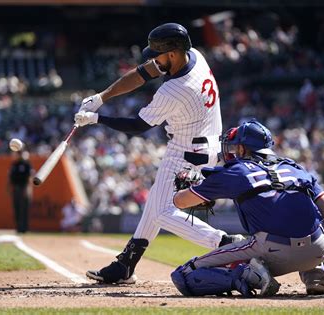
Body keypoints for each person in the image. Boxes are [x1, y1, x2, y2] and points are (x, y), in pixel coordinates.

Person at [75, 22, 242, 284]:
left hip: (187, 152)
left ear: (173, 53)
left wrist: (97, 119)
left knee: (162, 212)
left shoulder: (175, 89)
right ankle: (126, 264)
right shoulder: (194, 56)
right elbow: (143, 73)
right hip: (199, 145)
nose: (153, 59)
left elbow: (138, 126)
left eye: (158, 54)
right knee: (155, 203)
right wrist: (103, 96)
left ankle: (226, 243)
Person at [171, 119, 324, 296]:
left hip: (273, 250)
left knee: (184, 274)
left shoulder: (237, 170)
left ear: (241, 148)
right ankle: (317, 278)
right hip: (318, 248)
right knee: (308, 219)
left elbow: (181, 202)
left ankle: (251, 276)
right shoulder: (295, 168)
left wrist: (185, 188)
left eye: (234, 147)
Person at [8, 150, 33, 233]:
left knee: (24, 209)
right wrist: (8, 188)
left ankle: (25, 229)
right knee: (17, 209)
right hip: (16, 188)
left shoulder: (26, 164)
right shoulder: (14, 164)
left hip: (24, 188)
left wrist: (28, 189)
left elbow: (30, 177)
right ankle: (18, 228)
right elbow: (10, 177)